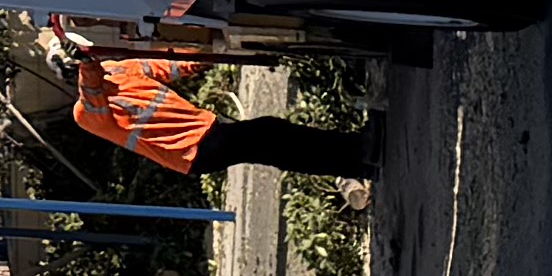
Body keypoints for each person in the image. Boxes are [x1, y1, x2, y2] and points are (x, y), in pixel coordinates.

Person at [70, 45, 380, 183]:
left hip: (204, 133)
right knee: (272, 135)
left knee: (276, 143)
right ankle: (358, 151)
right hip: (192, 153)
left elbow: (167, 66)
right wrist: (86, 65)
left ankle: (358, 162)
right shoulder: (85, 113)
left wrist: (206, 54)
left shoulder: (119, 69)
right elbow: (93, 93)